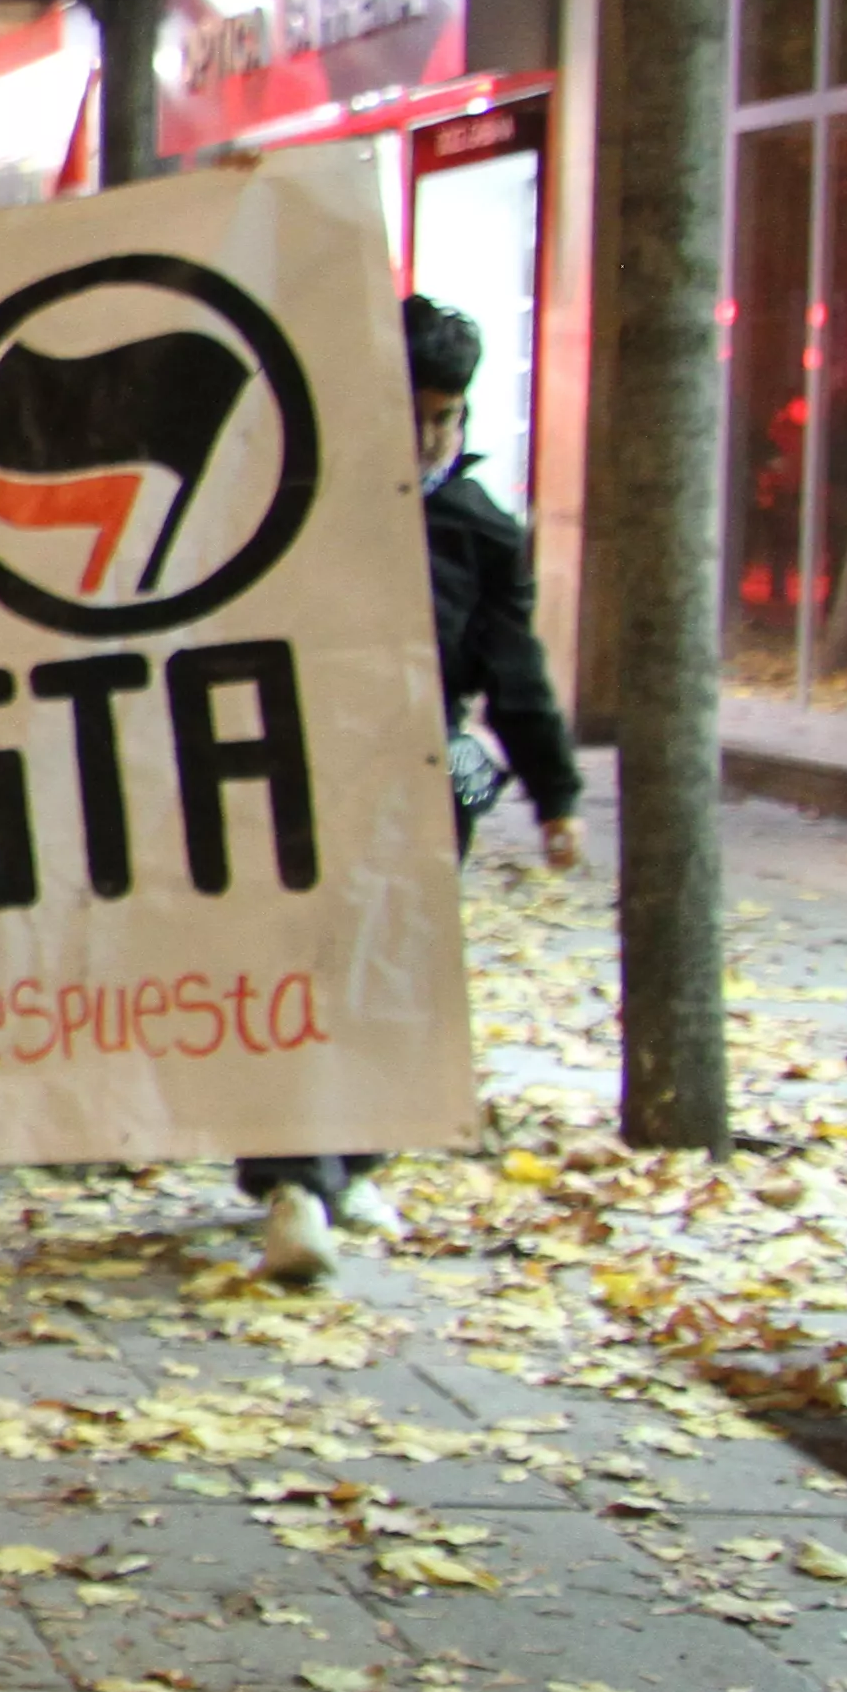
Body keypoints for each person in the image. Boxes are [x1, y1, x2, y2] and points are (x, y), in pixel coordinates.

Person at [248, 297, 585, 1285]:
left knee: (395, 975)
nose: (430, 434)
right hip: (302, 766)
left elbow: (513, 668)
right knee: (304, 967)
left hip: (423, 779)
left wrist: (554, 794)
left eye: (447, 415)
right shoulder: (303, 496)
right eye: (412, 411)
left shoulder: (480, 529)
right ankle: (293, 1181)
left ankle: (349, 1167)